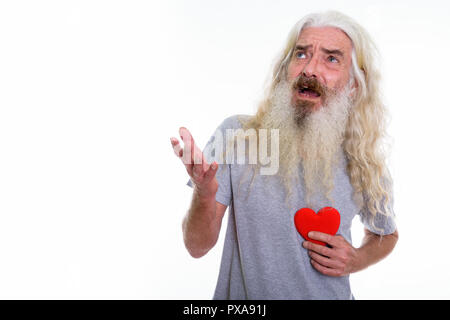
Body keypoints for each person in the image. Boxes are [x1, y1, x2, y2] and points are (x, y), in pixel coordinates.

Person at [170, 10, 398, 300]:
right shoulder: (235, 135)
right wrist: (204, 192)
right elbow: (196, 247)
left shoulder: (362, 157)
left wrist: (358, 258)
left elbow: (386, 234)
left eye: (331, 59)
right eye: (301, 54)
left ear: (354, 84)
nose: (310, 69)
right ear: (285, 68)